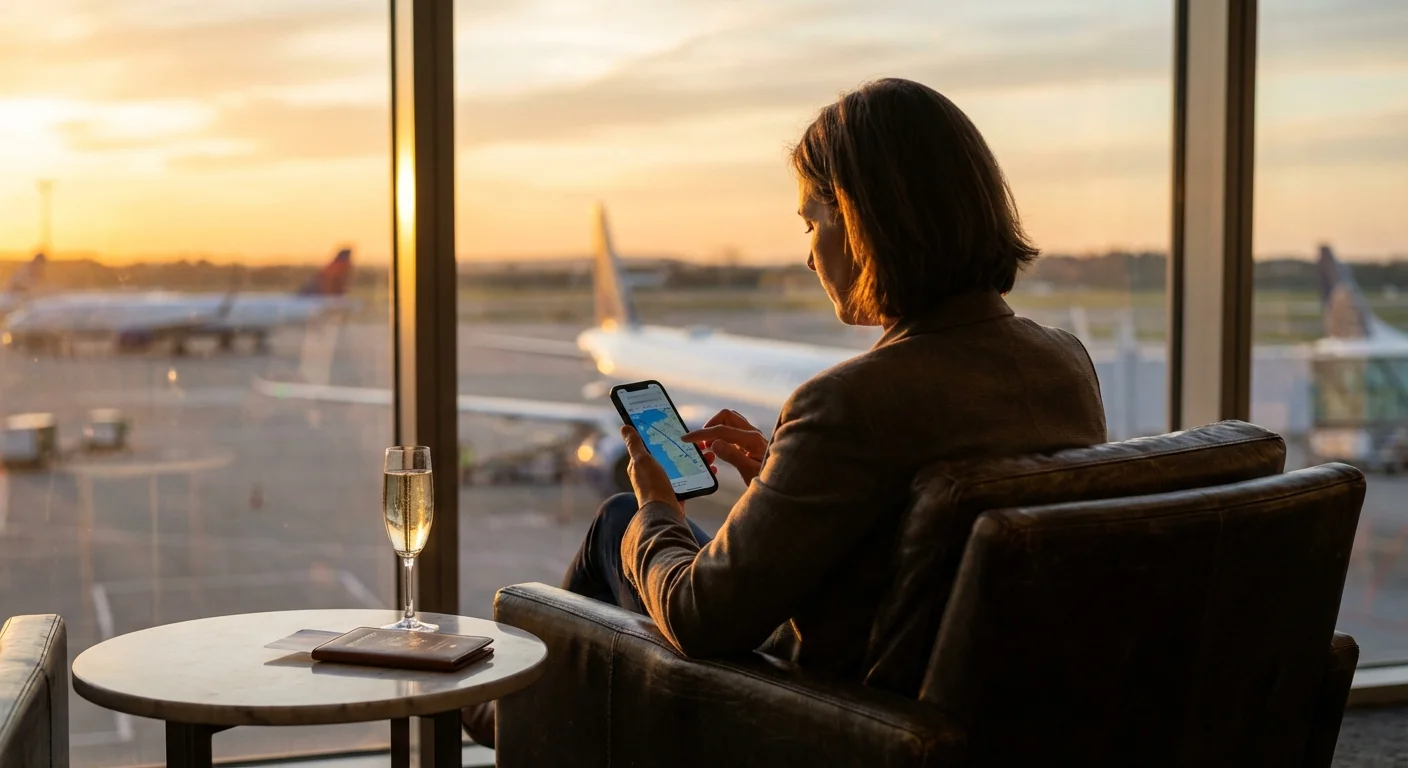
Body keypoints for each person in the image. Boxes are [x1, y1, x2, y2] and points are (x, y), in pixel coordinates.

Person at [463, 77, 1107, 746]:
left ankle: (509, 718)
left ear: (862, 220)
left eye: (811, 222)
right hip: (982, 719)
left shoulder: (849, 401)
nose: (807, 254)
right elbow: (905, 560)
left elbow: (699, 616)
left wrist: (658, 504)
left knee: (619, 524)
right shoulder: (1065, 363)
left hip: (814, 717)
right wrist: (784, 476)